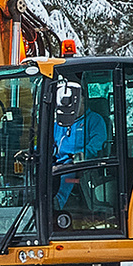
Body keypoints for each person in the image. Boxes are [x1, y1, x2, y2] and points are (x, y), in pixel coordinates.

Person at [52, 80, 110, 208]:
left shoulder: (94, 120)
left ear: (83, 101)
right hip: (58, 160)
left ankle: (57, 203)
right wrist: (33, 151)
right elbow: (50, 144)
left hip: (79, 163)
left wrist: (80, 155)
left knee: (67, 173)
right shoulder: (60, 123)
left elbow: (97, 144)